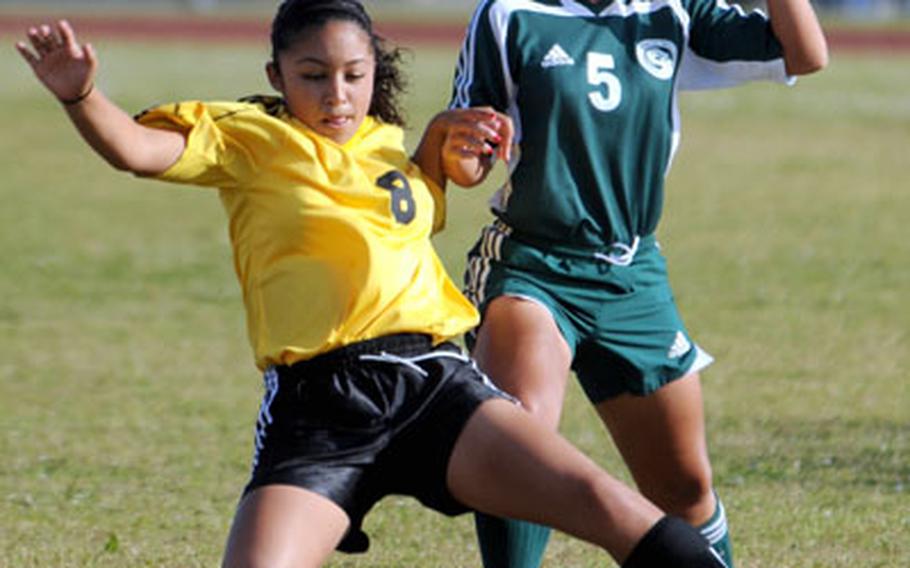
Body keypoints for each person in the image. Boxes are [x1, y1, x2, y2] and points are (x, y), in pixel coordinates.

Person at [15, 1, 734, 567]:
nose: (337, 94)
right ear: (276, 75)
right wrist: (83, 98)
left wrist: (443, 146)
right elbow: (137, 151)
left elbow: (416, 205)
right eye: (313, 74)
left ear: (374, 70)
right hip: (322, 410)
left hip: (437, 384)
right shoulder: (245, 136)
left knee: (614, 509)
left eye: (354, 75)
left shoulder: (391, 146)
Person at [449, 0, 829, 567]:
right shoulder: (509, 14)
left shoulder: (673, 9)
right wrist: (467, 150)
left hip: (631, 275)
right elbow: (466, 153)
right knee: (522, 441)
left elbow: (805, 53)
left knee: (684, 490)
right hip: (534, 264)